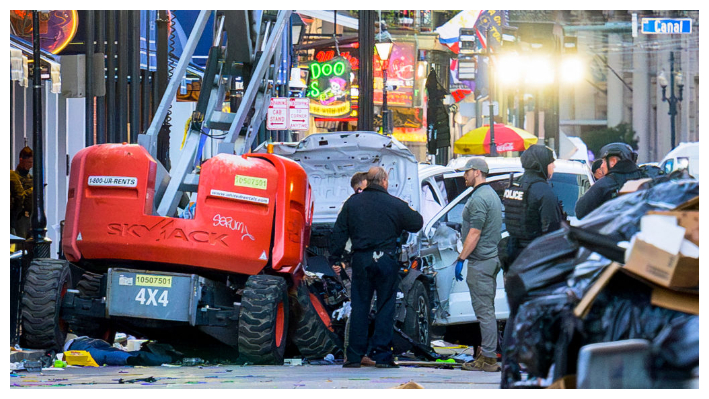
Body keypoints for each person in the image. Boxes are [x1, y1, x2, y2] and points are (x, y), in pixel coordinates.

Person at [329, 166, 423, 368]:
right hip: (386, 260)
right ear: (384, 181)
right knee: (385, 307)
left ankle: (354, 356)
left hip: (362, 260)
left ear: (368, 182)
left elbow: (338, 232)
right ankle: (382, 357)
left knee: (360, 307)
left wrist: (335, 258)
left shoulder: (352, 203)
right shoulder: (394, 204)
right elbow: (417, 223)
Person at [452, 158, 503, 372]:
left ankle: (489, 359)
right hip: (488, 259)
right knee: (486, 310)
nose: (464, 176)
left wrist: (461, 258)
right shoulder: (489, 194)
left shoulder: (480, 197)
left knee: (484, 312)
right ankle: (487, 355)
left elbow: (475, 232)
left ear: (477, 172)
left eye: (467, 172)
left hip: (481, 261)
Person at [503, 144, 562, 265]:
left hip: (513, 256)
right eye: (551, 162)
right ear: (542, 163)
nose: (554, 166)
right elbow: (552, 230)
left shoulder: (516, 185)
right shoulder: (543, 191)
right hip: (536, 259)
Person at [575, 142, 645, 219]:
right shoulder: (646, 177)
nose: (602, 166)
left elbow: (580, 211)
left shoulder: (604, 185)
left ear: (613, 161)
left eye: (604, 161)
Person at [14, 146, 33, 238]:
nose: (31, 165)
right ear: (21, 160)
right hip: (19, 216)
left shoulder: (31, 178)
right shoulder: (14, 178)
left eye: (32, 162)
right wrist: (32, 190)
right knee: (20, 242)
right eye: (29, 162)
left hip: (31, 216)